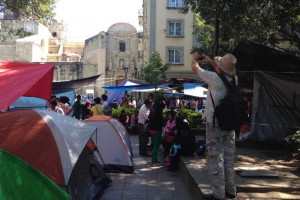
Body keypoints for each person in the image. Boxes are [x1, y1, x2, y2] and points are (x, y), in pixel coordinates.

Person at [192, 53, 238, 200]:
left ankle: (218, 194)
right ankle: (231, 190)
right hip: (230, 124)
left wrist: (194, 58)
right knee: (229, 157)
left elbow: (195, 68)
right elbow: (222, 73)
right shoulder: (234, 80)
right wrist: (211, 61)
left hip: (215, 123)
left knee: (215, 157)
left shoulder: (214, 78)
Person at [147, 99, 164, 164]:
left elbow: (149, 118)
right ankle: (154, 160)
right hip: (157, 131)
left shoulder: (152, 111)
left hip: (151, 130)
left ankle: (154, 159)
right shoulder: (159, 113)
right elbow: (161, 122)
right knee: (156, 146)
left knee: (154, 145)